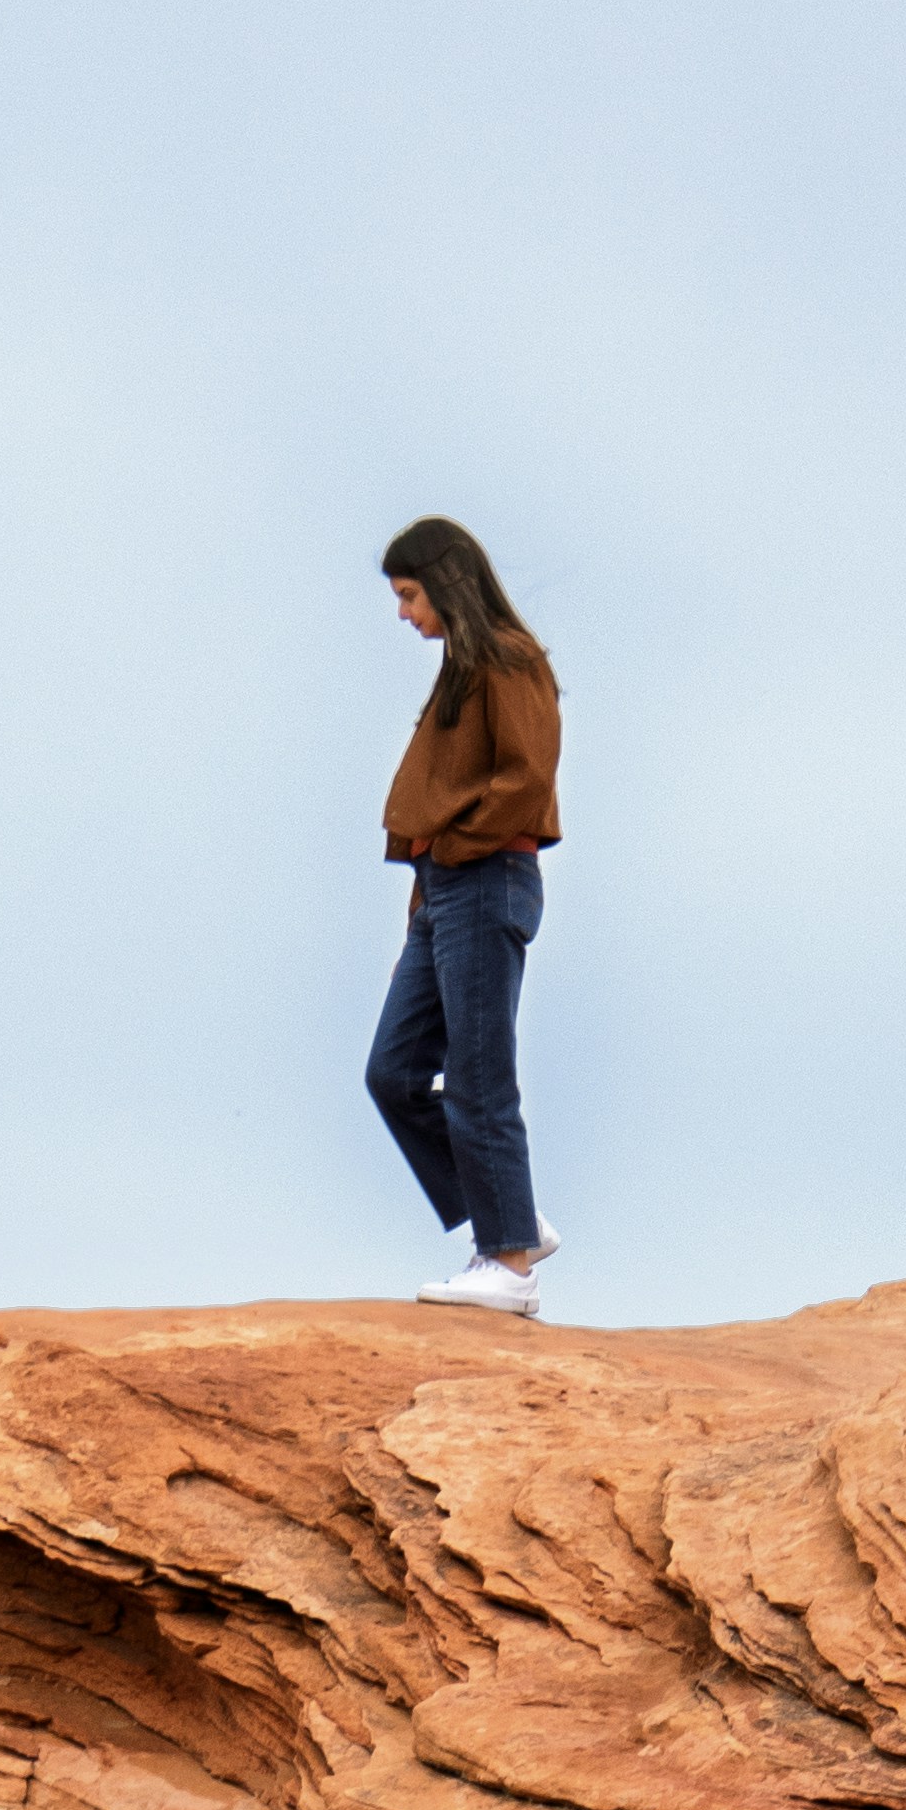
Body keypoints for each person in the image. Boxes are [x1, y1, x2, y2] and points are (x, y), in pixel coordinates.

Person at [364, 514, 562, 1316]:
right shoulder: (461, 669)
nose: (404, 612)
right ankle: (510, 1218)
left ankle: (509, 1265)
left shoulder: (509, 660)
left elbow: (526, 776)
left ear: (445, 581)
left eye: (410, 594)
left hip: (484, 877)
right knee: (394, 1072)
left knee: (479, 1077)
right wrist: (430, 878)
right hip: (445, 891)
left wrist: (451, 850)